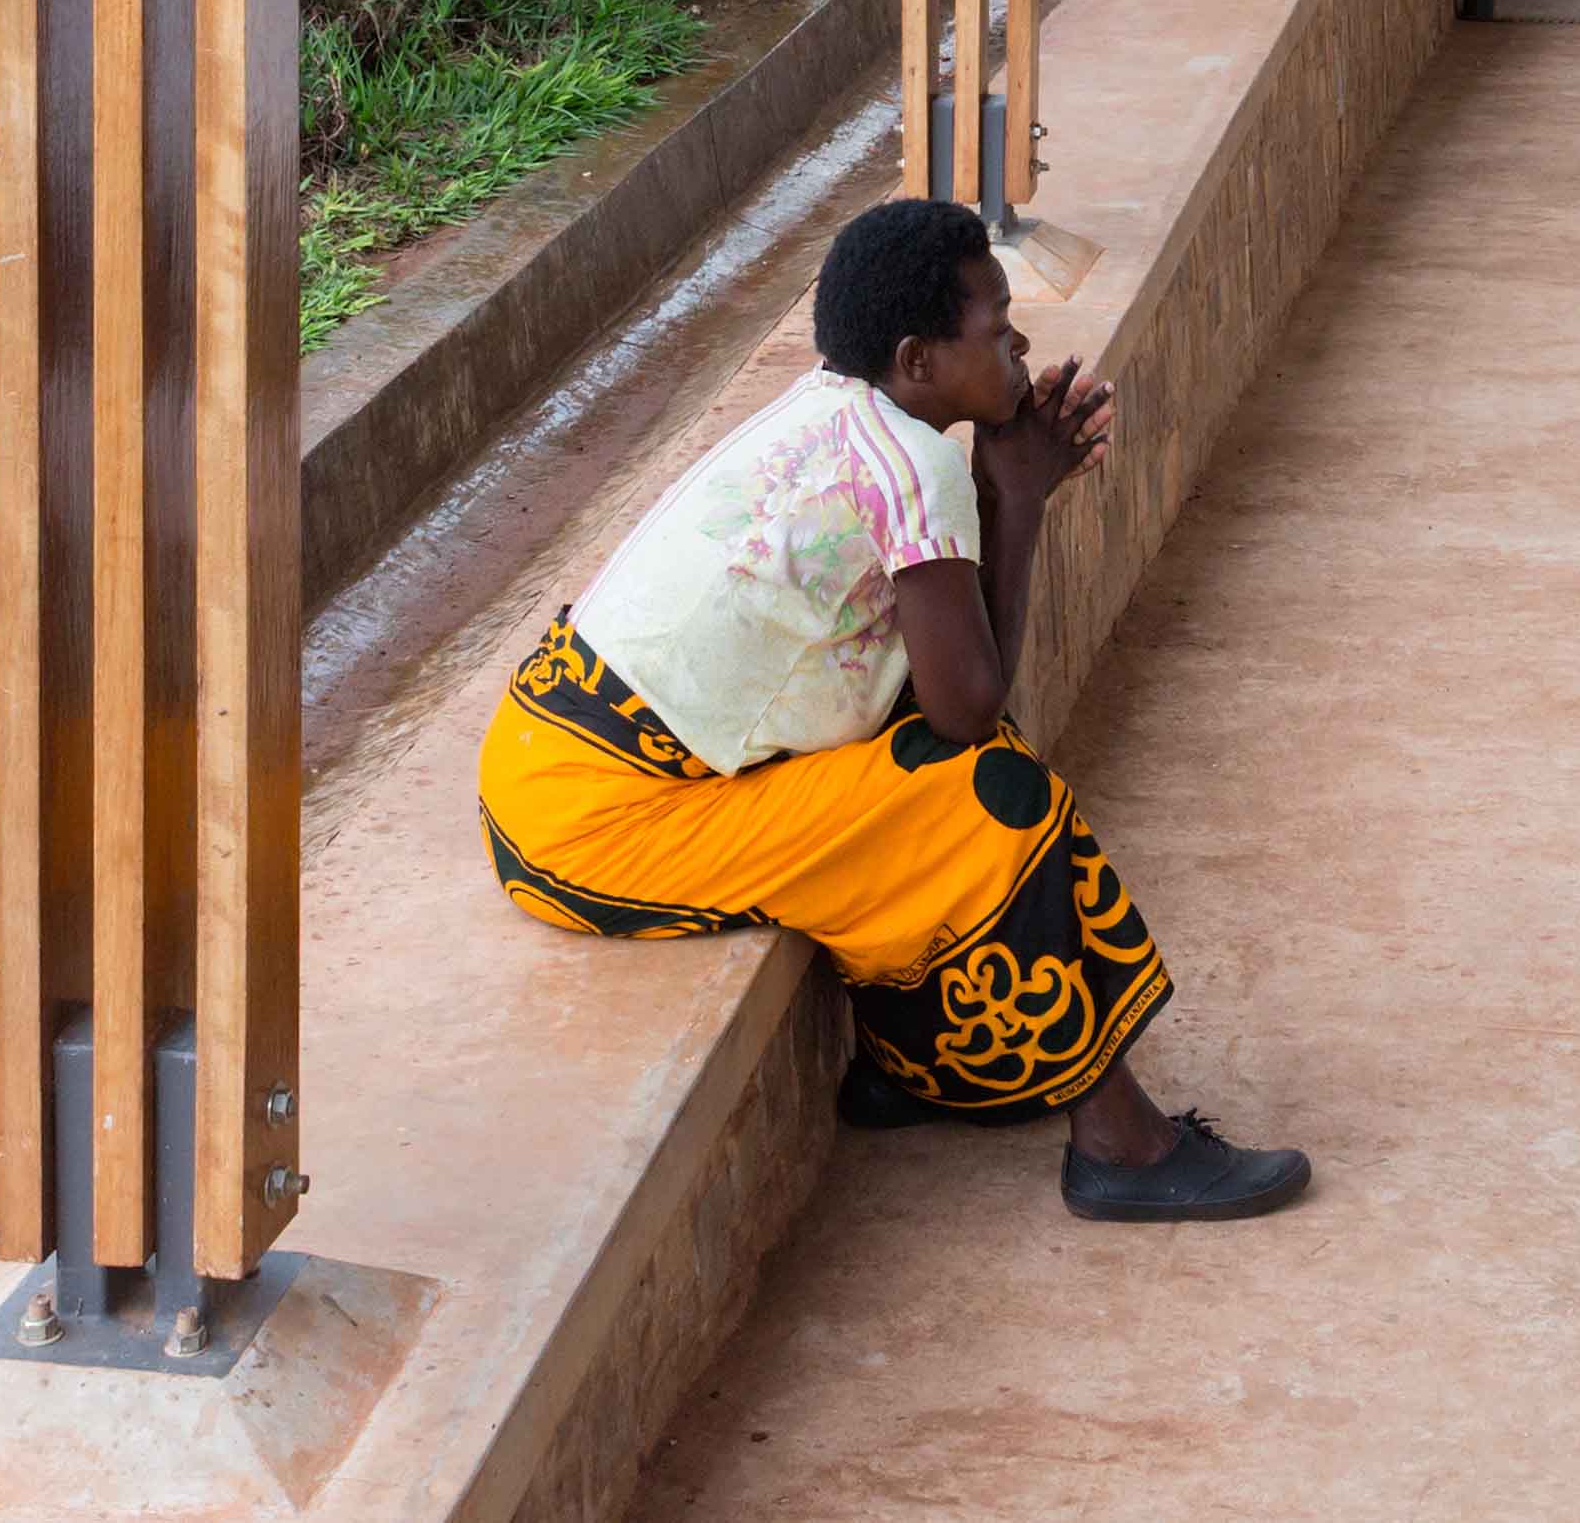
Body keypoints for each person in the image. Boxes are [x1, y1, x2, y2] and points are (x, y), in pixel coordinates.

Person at [477, 196, 1311, 1222]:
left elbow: (942, 689)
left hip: (543, 760)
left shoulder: (833, 412)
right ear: (918, 359)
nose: (1019, 348)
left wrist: (1004, 491)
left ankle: (920, 1066)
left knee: (917, 754)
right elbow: (969, 713)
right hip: (599, 823)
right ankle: (1121, 1145)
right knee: (989, 798)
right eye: (998, 328)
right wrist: (1014, 496)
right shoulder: (914, 468)